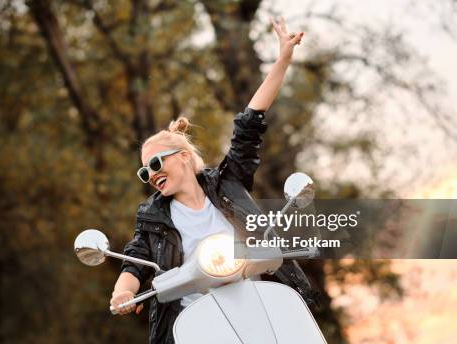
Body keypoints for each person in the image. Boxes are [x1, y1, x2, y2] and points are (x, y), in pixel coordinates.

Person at [111, 17, 313, 344]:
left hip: (263, 304)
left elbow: (248, 126)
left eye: (156, 163)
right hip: (201, 327)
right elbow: (134, 261)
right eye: (145, 171)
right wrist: (123, 292)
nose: (151, 175)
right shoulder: (152, 217)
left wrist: (283, 60)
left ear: (184, 156)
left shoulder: (227, 183)